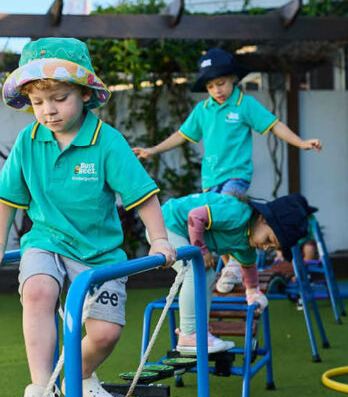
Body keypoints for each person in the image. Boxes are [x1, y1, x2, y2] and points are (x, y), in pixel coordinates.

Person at [0, 38, 177, 397]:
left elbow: (142, 195)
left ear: (85, 93)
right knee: (37, 292)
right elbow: (6, 196)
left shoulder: (106, 141)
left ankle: (79, 376)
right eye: (38, 102)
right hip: (46, 241)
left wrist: (160, 239)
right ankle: (42, 388)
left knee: (105, 334)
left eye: (59, 98)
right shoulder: (28, 141)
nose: (48, 110)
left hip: (99, 252)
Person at [133, 47, 322, 289]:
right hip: (211, 180)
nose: (216, 90)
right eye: (210, 86)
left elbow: (274, 125)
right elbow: (181, 135)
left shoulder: (245, 105)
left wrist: (302, 142)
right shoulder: (203, 110)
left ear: (233, 78)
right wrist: (153, 150)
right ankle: (228, 270)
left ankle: (234, 265)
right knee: (216, 223)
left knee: (230, 208)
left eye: (221, 83)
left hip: (236, 177)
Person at [159, 191, 317, 353]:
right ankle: (189, 334)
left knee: (207, 275)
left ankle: (199, 333)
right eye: (269, 240)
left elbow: (248, 266)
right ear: (263, 219)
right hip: (166, 224)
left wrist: (253, 292)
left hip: (179, 229)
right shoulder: (238, 214)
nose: (265, 247)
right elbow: (196, 216)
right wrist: (201, 249)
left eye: (271, 248)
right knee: (194, 270)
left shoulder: (246, 242)